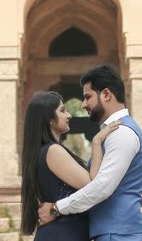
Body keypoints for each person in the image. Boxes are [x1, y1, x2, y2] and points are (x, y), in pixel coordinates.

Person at [38, 65, 142, 241]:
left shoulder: (122, 133)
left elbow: (102, 188)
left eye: (88, 97)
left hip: (119, 234)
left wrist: (56, 208)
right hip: (112, 231)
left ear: (106, 94)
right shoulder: (111, 133)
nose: (83, 105)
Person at [21, 90, 122, 239]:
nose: (69, 115)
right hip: (63, 233)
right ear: (49, 119)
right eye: (62, 111)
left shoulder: (45, 151)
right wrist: (96, 142)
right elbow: (92, 184)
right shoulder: (53, 151)